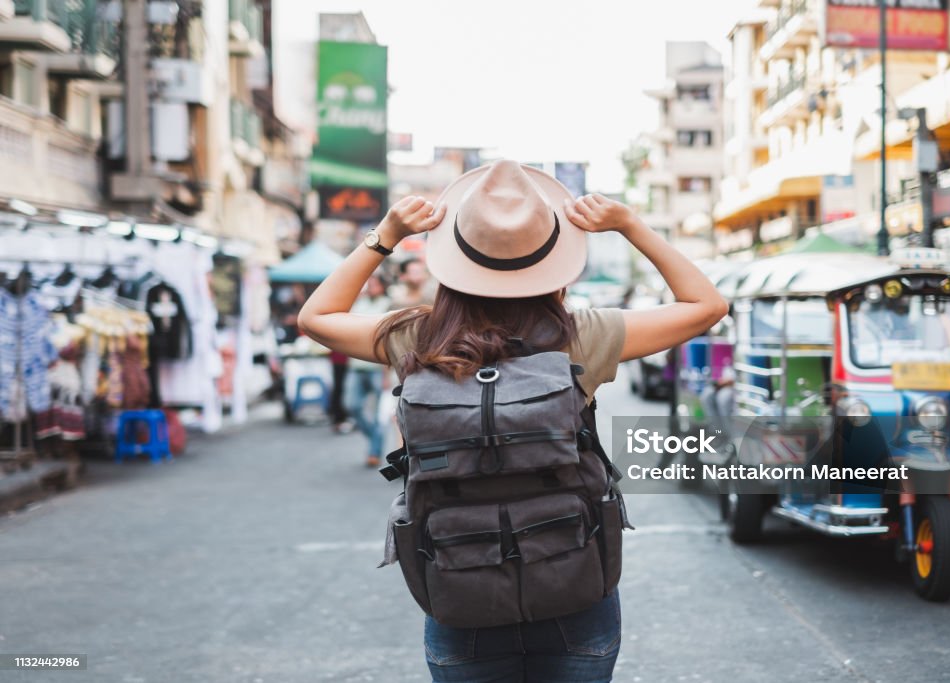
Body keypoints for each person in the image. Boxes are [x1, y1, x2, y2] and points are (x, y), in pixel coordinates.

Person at [298, 160, 726, 682]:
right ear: (553, 261)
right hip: (574, 582)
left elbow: (314, 319)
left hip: (461, 589)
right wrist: (630, 225)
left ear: (452, 259)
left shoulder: (418, 339)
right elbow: (707, 305)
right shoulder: (582, 337)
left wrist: (385, 235)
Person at [344, 275, 391, 466]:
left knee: (381, 413)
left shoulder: (388, 304)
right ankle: (374, 437)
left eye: (374, 284)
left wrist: (388, 370)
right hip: (356, 365)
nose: (370, 287)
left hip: (378, 367)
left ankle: (374, 451)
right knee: (352, 406)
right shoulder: (360, 304)